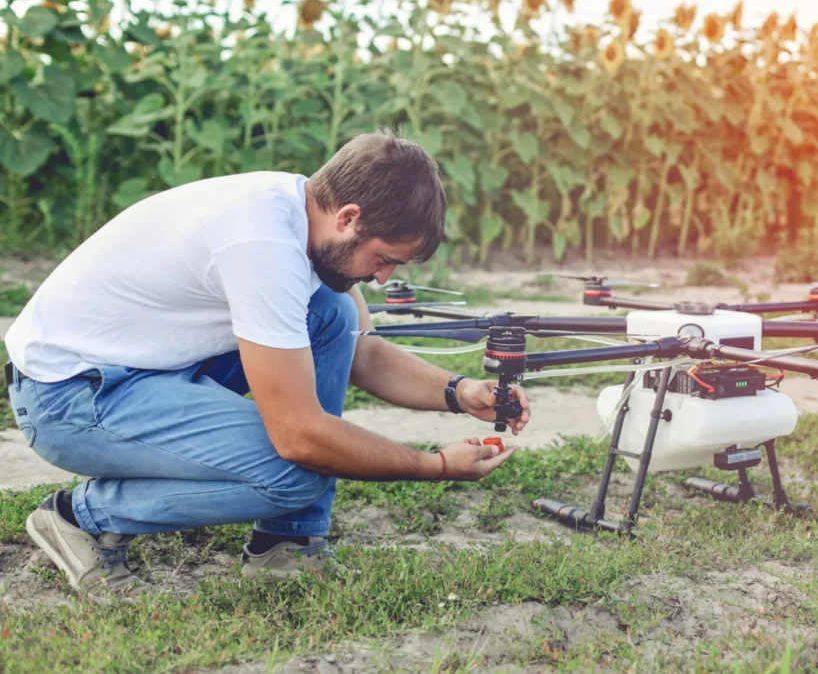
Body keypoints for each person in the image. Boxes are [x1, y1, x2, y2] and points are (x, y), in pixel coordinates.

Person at [3, 130, 530, 602]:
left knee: (330, 309)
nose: (383, 277)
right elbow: (299, 438)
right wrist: (433, 466)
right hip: (69, 396)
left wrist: (459, 391)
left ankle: (288, 540)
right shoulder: (262, 246)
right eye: (385, 257)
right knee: (296, 471)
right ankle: (79, 517)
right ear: (349, 218)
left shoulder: (302, 208)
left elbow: (360, 349)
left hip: (147, 366)